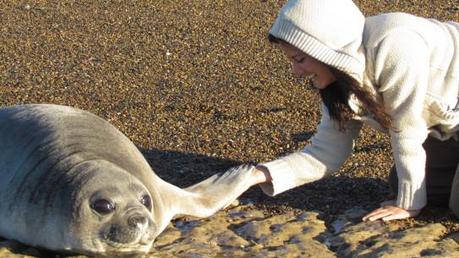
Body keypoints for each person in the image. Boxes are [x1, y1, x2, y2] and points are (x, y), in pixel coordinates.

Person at [242, 0, 459, 222]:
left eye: (299, 59)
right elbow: (327, 151)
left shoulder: (394, 43)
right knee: (401, 182)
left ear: (325, 48)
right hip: (447, 130)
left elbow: (406, 128)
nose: (296, 72)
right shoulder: (340, 81)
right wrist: (254, 176)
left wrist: (409, 204)